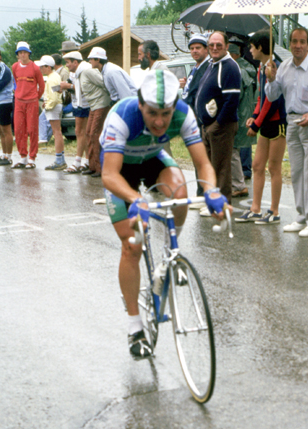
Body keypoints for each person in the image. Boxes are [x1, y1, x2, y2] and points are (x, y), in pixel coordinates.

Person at [100, 69, 228, 360]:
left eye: (166, 114)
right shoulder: (122, 115)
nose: (159, 122)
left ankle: (169, 253)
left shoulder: (183, 114)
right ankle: (135, 327)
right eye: (152, 113)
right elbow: (109, 174)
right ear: (140, 104)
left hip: (153, 158)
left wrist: (213, 191)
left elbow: (203, 165)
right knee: (131, 245)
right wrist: (135, 198)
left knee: (180, 191)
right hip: (120, 169)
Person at [265, 27, 308, 237]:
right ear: (289, 44)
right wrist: (270, 78)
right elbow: (271, 96)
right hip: (292, 122)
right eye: (294, 41)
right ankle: (302, 217)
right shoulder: (284, 67)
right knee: (297, 172)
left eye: (302, 42)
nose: (298, 46)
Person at [236, 29, 286, 224]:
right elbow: (261, 97)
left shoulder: (275, 67)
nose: (250, 50)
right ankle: (255, 208)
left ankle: (274, 211)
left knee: (274, 167)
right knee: (257, 165)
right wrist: (254, 116)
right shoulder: (260, 68)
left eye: (252, 46)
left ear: (260, 47)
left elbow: (272, 101)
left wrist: (256, 124)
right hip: (265, 121)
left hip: (277, 122)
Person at [195, 31, 241, 209]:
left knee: (221, 168)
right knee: (210, 167)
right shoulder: (212, 64)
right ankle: (212, 201)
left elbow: (231, 101)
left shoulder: (229, 66)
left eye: (219, 45)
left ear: (227, 46)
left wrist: (217, 125)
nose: (214, 48)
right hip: (208, 126)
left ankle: (222, 205)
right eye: (211, 45)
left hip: (222, 126)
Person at [180, 33, 210, 201]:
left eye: (198, 48)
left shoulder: (207, 67)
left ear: (206, 49)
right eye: (192, 48)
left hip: (200, 119)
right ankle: (201, 190)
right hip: (191, 117)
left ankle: (203, 192)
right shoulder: (195, 68)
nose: (194, 51)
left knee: (202, 157)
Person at [228, 41, 256, 199]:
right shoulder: (249, 68)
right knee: (241, 146)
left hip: (239, 112)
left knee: (234, 148)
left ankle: (239, 183)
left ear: (232, 54)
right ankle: (244, 173)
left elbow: (235, 96)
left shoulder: (237, 70)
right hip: (248, 112)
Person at [11, 41, 45, 169]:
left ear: (29, 53)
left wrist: (36, 97)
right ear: (17, 55)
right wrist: (18, 93)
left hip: (32, 102)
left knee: (32, 129)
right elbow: (16, 81)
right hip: (19, 101)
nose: (23, 55)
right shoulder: (15, 67)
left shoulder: (35, 68)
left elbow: (41, 85)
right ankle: (23, 156)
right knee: (19, 129)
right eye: (20, 53)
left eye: (25, 52)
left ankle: (32, 157)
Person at [80, 48, 112, 177]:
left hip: (101, 104)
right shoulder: (84, 72)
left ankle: (100, 168)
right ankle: (92, 165)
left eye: (91, 59)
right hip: (94, 105)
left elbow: (105, 83)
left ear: (98, 59)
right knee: (89, 133)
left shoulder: (89, 71)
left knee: (95, 134)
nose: (89, 61)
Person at [61, 50, 91, 173]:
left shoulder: (84, 71)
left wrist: (68, 87)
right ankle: (82, 160)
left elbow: (85, 88)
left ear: (75, 62)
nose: (66, 65)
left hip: (87, 104)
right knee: (80, 132)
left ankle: (85, 161)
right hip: (77, 104)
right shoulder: (72, 73)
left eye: (68, 62)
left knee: (86, 132)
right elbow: (74, 88)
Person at [38, 55, 66, 170]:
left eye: (42, 67)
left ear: (48, 67)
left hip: (54, 107)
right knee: (57, 132)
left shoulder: (52, 78)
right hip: (55, 106)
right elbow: (54, 94)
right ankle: (60, 159)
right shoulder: (54, 76)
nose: (40, 69)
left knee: (57, 132)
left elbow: (54, 97)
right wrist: (47, 103)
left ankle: (59, 160)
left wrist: (48, 106)